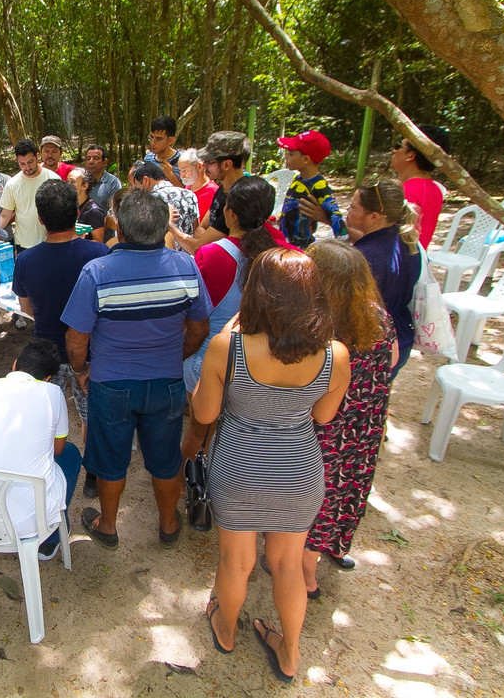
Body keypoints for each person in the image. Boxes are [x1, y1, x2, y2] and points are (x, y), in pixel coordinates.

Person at [184, 249, 349, 683]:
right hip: (299, 472)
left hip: (238, 471)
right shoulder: (336, 354)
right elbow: (323, 417)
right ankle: (290, 651)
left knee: (236, 563)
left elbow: (204, 414)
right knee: (288, 564)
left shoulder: (229, 346)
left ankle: (225, 627)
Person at [62, 191, 211, 550]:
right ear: (163, 229)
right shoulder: (186, 266)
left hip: (112, 383)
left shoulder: (97, 272)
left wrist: (81, 371)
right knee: (166, 456)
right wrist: (176, 356)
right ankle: (169, 522)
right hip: (166, 382)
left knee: (112, 456)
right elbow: (200, 328)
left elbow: (76, 338)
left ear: (121, 229)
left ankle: (108, 524)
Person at [303, 240, 398, 592]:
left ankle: (305, 572)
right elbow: (389, 363)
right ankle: (323, 551)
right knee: (343, 493)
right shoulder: (378, 317)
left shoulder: (319, 330)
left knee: (318, 497)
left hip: (326, 430)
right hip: (365, 429)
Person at [0, 339, 83, 562]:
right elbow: (58, 449)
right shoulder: (52, 393)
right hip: (30, 521)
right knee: (71, 453)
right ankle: (49, 539)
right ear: (47, 379)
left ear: (14, 365)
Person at [13, 180, 108, 470]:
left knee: (43, 416)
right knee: (91, 415)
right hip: (91, 352)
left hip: (46, 352)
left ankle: (40, 466)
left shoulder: (26, 259)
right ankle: (92, 472)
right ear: (76, 215)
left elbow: (26, 308)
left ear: (40, 219)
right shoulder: (100, 254)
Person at [183, 176, 287, 396]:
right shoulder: (284, 253)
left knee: (201, 429)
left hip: (212, 358)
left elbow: (194, 315)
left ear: (230, 214)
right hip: (268, 359)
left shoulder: (213, 254)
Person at [345, 180, 422, 378]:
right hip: (401, 337)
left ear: (374, 216)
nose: (348, 210)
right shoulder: (408, 241)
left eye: (353, 207)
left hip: (373, 345)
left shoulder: (363, 258)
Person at [169, 131, 250, 253]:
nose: (204, 166)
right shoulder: (222, 190)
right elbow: (201, 228)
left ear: (227, 165)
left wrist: (168, 224)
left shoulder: (240, 199)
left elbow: (196, 247)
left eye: (209, 162)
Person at [278, 129, 347, 249]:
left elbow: (335, 215)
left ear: (306, 159)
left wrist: (344, 245)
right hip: (285, 242)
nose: (286, 157)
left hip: (301, 248)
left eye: (291, 153)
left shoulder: (319, 186)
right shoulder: (298, 179)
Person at [391, 125, 450, 249]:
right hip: (416, 261)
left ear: (410, 156)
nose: (394, 150)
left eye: (399, 146)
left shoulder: (404, 192)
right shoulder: (435, 189)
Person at [0, 138, 61, 252]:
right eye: (22, 164)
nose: (27, 167)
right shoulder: (12, 184)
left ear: (37, 156)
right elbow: (5, 215)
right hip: (24, 243)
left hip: (51, 241)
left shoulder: (53, 179)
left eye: (30, 162)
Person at [133, 162, 199, 237]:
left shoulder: (148, 200)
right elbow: (196, 228)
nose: (138, 192)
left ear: (145, 180)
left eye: (138, 188)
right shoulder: (189, 194)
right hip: (188, 246)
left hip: (163, 248)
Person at [132, 115, 183, 187]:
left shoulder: (182, 161)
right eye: (151, 137)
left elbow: (188, 194)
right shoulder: (148, 158)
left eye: (159, 139)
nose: (153, 143)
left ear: (170, 140)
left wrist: (171, 176)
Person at [67, 167, 106, 242]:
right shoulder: (68, 206)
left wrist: (80, 241)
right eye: (67, 181)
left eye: (72, 182)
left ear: (85, 186)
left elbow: (98, 242)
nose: (68, 185)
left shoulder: (94, 211)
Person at [179, 148, 218, 219]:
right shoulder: (189, 186)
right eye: (180, 171)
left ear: (199, 167)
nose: (181, 175)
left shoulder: (213, 192)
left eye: (184, 170)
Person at [82, 144, 122, 213]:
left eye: (96, 158)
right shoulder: (80, 180)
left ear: (104, 162)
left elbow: (113, 210)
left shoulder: (113, 182)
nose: (91, 162)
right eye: (88, 158)